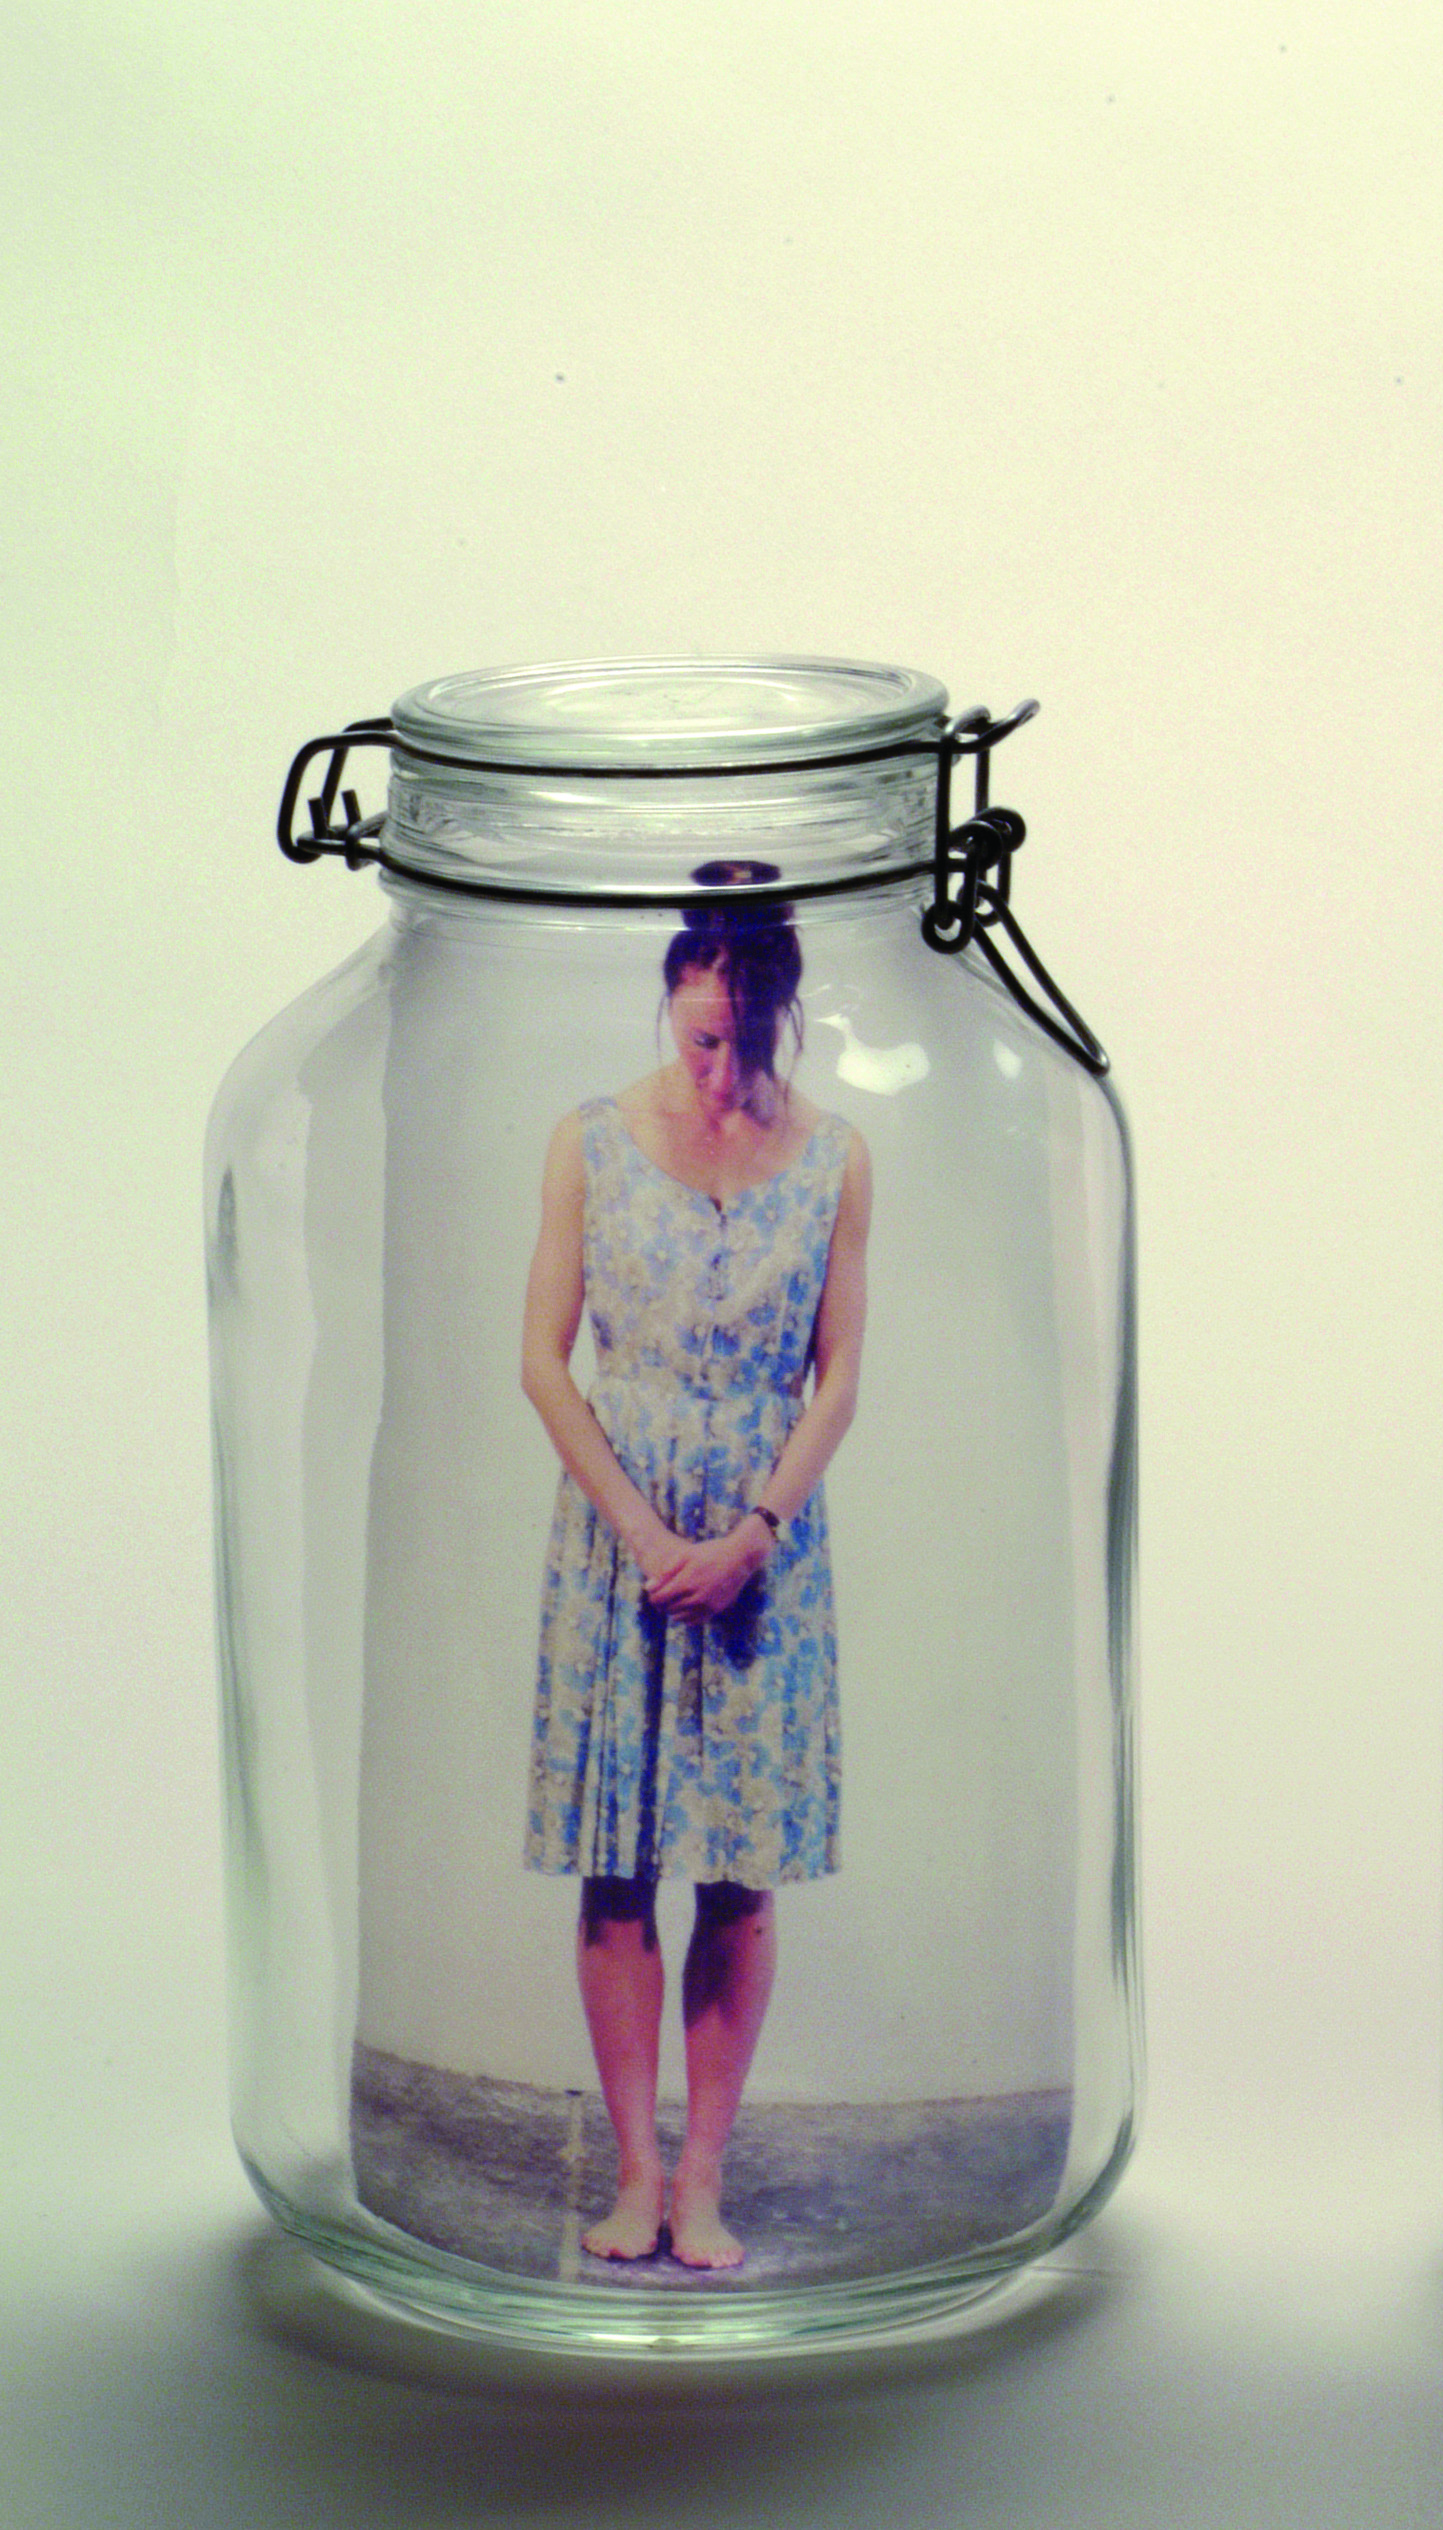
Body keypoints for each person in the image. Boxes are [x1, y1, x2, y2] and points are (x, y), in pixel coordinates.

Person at [520, 863, 871, 2269]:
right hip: (623, 1538)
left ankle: (706, 2177)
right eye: (700, 1037)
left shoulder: (837, 1157)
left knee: (737, 1873)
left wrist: (753, 1532)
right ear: (672, 1006)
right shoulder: (590, 1141)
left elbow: (840, 1375)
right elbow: (542, 1364)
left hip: (761, 1549)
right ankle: (632, 2172)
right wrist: (647, 1534)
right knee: (618, 1869)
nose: (721, 1069)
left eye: (744, 1039)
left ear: (785, 1015)